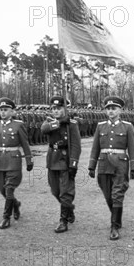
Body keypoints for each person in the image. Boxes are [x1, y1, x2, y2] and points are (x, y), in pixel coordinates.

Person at [88, 96, 134, 240]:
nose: (111, 111)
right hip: (103, 164)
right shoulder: (100, 126)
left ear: (120, 110)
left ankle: (114, 226)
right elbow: (95, 147)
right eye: (108, 109)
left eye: (114, 108)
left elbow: (132, 149)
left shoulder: (127, 127)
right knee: (107, 194)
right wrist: (92, 166)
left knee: (117, 194)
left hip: (120, 164)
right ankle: (117, 216)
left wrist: (133, 167)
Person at [0, 97, 33, 229]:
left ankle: (6, 217)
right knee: (1, 187)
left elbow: (25, 143)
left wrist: (29, 159)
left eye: (6, 110)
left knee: (9, 188)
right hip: (0, 160)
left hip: (13, 160)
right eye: (1, 110)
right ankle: (15, 204)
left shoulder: (18, 125)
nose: (3, 113)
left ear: (12, 112)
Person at [41, 96, 81, 233]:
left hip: (65, 160)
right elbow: (44, 129)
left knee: (65, 192)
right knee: (55, 191)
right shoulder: (49, 122)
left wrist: (74, 163)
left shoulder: (72, 124)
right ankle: (69, 208)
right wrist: (58, 122)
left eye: (59, 108)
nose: (56, 111)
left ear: (65, 109)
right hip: (53, 159)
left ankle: (63, 220)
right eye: (53, 109)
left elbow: (76, 145)